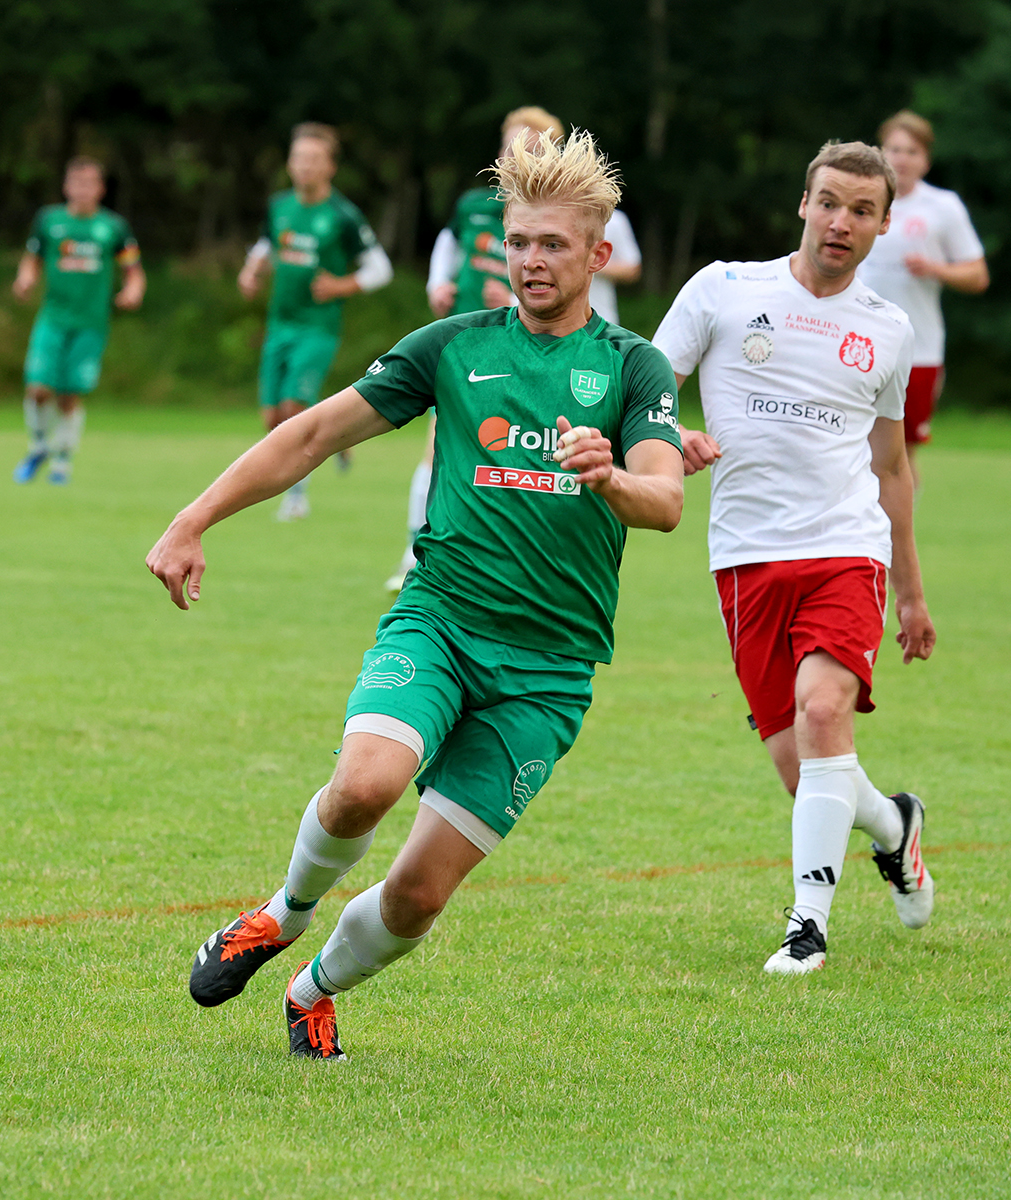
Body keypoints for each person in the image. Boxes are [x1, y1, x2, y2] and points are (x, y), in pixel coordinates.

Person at [151, 129, 685, 1059]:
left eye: (551, 245)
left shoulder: (634, 367)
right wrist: (193, 518)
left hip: (549, 674)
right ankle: (281, 914)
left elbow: (666, 498)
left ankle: (311, 991)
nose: (527, 262)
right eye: (517, 242)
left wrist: (608, 478)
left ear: (599, 253)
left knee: (417, 898)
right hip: (440, 622)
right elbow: (313, 434)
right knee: (363, 788)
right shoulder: (452, 348)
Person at [651, 140, 938, 976]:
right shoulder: (724, 290)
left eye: (861, 210)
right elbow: (646, 387)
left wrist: (912, 594)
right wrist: (673, 435)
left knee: (822, 717)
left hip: (847, 547)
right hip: (744, 556)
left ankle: (806, 927)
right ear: (803, 204)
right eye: (829, 202)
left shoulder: (888, 328)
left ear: (884, 225)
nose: (841, 221)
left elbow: (891, 467)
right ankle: (896, 827)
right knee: (803, 769)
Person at [396, 107, 642, 590]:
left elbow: (630, 266)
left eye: (552, 244)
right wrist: (439, 285)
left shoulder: (599, 215)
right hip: (491, 355)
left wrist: (574, 250)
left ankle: (546, 574)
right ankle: (419, 551)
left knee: (554, 465)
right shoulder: (476, 210)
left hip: (581, 355)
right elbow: (448, 248)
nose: (516, 158)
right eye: (519, 243)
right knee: (449, 450)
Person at [239, 123, 393, 521]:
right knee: (272, 418)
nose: (304, 166)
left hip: (318, 327)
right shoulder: (280, 207)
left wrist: (342, 285)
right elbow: (267, 246)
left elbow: (380, 268)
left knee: (293, 408)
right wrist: (251, 270)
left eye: (313, 159)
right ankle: (340, 437)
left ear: (330, 167)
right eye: (298, 158)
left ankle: (296, 497)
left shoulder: (342, 215)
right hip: (280, 325)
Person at [855, 110, 988, 486]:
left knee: (900, 448)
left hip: (918, 348)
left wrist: (936, 269)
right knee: (848, 440)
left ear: (925, 159)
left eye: (911, 151)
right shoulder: (861, 197)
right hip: (856, 342)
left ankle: (898, 537)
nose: (901, 158)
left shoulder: (942, 207)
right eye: (894, 149)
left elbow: (977, 274)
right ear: (880, 152)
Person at [12, 157, 145, 486]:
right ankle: (39, 445)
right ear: (66, 186)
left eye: (90, 183)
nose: (83, 190)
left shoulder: (112, 228)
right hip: (53, 319)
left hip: (90, 324)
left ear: (100, 189)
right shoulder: (49, 221)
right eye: (77, 183)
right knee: (39, 389)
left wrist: (132, 290)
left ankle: (63, 459)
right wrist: (25, 280)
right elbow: (32, 260)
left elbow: (134, 270)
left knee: (69, 396)